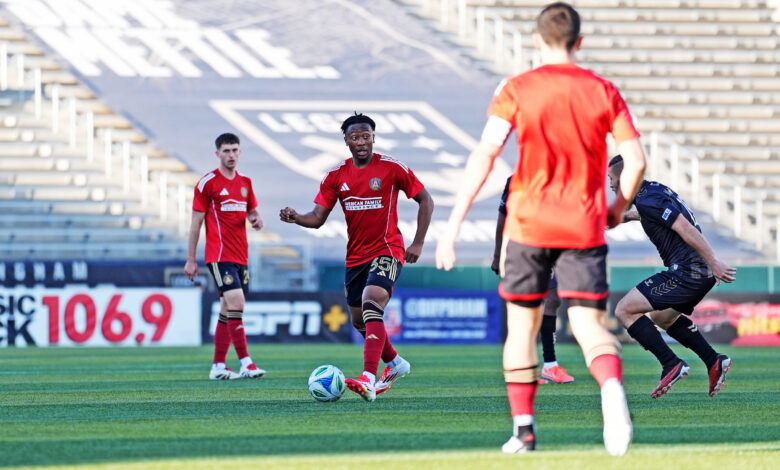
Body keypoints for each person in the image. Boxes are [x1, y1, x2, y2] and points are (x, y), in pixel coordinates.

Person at [435, 2, 646, 456]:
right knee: (589, 324)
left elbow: (485, 157)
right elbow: (637, 161)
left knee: (522, 330)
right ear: (579, 42)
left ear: (536, 40)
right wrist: (616, 208)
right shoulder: (602, 90)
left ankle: (524, 431)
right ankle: (610, 389)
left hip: (529, 224)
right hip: (583, 225)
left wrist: (452, 225)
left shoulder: (516, 88)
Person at [280, 112, 434, 402]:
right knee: (359, 320)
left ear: (373, 138)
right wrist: (296, 217)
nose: (361, 142)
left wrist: (418, 242)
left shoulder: (391, 168)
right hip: (355, 257)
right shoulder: (336, 176)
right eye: (355, 137)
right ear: (347, 142)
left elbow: (426, 199)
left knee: (372, 301)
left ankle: (368, 378)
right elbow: (317, 218)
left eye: (366, 136)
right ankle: (396, 364)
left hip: (388, 248)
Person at [608, 155, 736, 398]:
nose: (611, 185)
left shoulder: (647, 200)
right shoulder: (653, 190)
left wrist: (714, 261)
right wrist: (621, 218)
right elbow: (649, 213)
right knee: (661, 317)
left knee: (624, 310)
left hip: (689, 271)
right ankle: (713, 360)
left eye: (612, 179)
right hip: (696, 271)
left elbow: (684, 228)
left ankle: (671, 363)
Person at [184, 132, 266, 380]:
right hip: (219, 255)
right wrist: (190, 259)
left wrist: (256, 219)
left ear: (240, 152)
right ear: (217, 153)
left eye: (235, 150)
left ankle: (218, 366)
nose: (231, 155)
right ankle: (246, 362)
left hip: (241, 256)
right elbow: (195, 224)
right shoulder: (207, 183)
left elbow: (252, 211)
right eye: (226, 151)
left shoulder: (245, 183)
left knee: (227, 309)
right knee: (238, 304)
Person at [492, 177, 574, 385]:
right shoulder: (515, 181)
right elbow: (503, 217)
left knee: (553, 300)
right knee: (524, 311)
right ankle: (522, 368)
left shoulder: (557, 178)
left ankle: (549, 365)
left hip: (549, 247)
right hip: (522, 248)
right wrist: (497, 255)